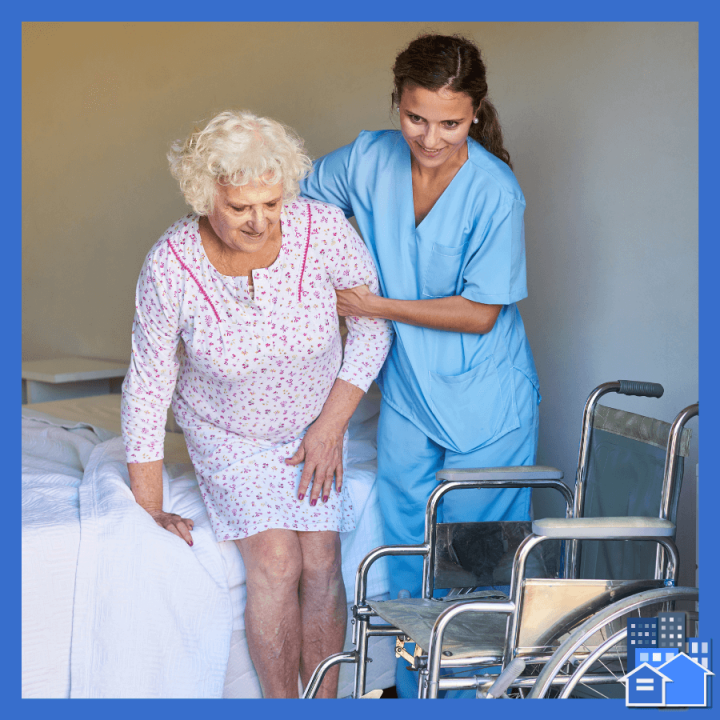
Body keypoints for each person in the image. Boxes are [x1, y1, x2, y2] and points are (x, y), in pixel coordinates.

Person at [120, 110, 393, 698]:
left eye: (271, 203)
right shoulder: (171, 264)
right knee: (275, 561)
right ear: (203, 194)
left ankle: (326, 703)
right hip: (228, 435)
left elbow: (372, 328)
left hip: (314, 424)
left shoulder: (321, 229)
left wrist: (330, 427)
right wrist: (150, 506)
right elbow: (147, 384)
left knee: (322, 557)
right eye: (242, 207)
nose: (261, 221)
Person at [299, 34, 540, 697]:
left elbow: (480, 313)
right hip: (409, 395)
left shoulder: (495, 191)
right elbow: (294, 208)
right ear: (397, 105)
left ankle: (468, 699)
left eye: (450, 123)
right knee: (405, 561)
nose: (430, 138)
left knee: (474, 572)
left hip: (487, 409)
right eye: (416, 118)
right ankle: (408, 696)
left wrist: (373, 303)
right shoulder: (368, 158)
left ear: (475, 114)